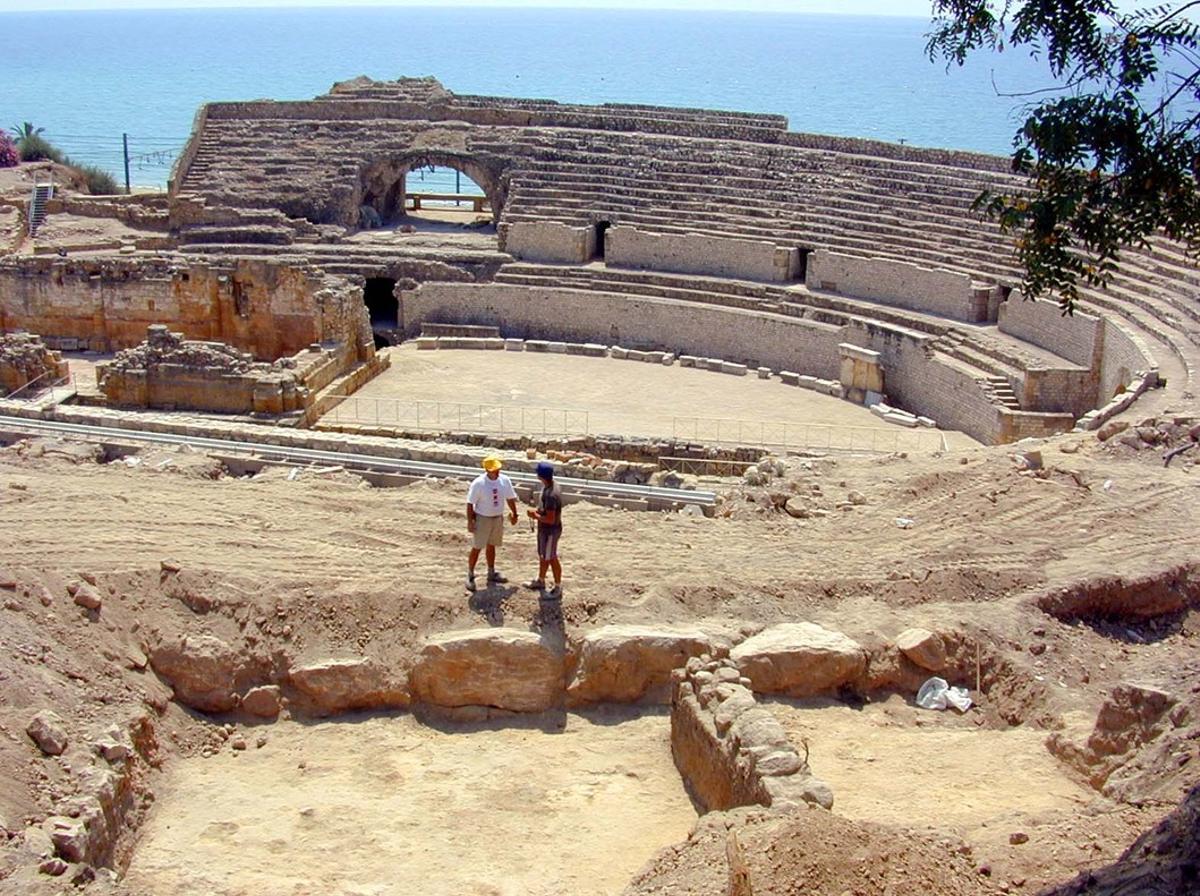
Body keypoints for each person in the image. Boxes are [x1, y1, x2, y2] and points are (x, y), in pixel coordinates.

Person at [465, 455, 518, 592]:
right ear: (487, 470)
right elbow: (470, 503)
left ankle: (491, 571)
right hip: (483, 518)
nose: (497, 471)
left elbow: (510, 498)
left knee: (492, 545)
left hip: (497, 518)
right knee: (477, 547)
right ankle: (470, 574)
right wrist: (470, 521)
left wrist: (514, 513)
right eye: (494, 470)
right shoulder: (479, 483)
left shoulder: (504, 481)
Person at [525, 461, 564, 598]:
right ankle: (541, 580)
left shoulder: (551, 495)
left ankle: (558, 587)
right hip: (545, 530)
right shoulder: (551, 486)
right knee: (544, 556)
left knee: (551, 557)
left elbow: (550, 519)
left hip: (550, 531)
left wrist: (535, 516)